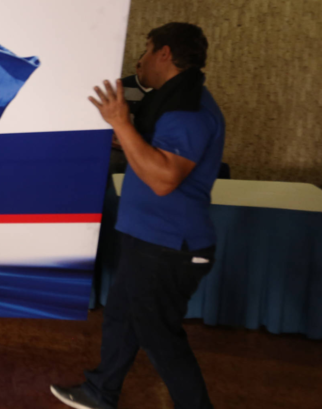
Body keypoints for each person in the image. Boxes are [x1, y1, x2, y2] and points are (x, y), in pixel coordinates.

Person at [53, 22, 225, 409]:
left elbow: (164, 179)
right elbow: (153, 153)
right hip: (148, 237)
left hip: (169, 245)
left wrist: (121, 122)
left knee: (159, 337)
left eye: (147, 49)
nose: (140, 60)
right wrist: (126, 135)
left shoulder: (189, 110)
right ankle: (101, 392)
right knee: (121, 317)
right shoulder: (171, 102)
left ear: (164, 54)